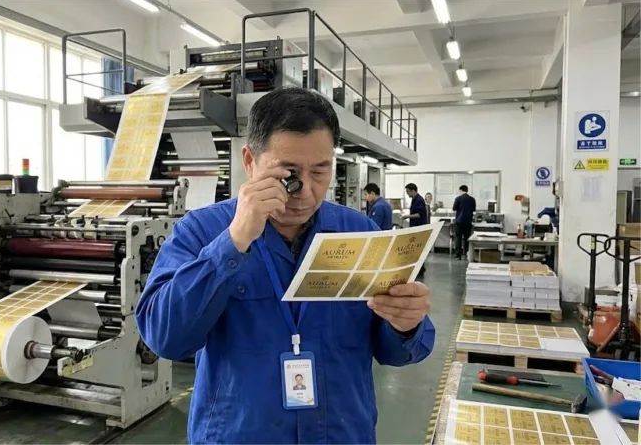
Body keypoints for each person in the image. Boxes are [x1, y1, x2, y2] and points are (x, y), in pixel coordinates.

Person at [136, 88, 435, 444]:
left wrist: (406, 324)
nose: (306, 191)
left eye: (321, 172)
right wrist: (234, 242)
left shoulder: (360, 233)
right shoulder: (201, 231)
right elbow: (165, 337)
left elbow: (399, 350)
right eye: (289, 174)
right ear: (250, 161)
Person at [452, 185, 477, 260]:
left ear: (460, 190)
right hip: (468, 221)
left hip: (459, 221)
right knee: (467, 238)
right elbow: (473, 209)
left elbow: (454, 208)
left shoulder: (458, 198)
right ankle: (466, 254)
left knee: (458, 237)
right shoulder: (472, 199)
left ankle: (458, 255)